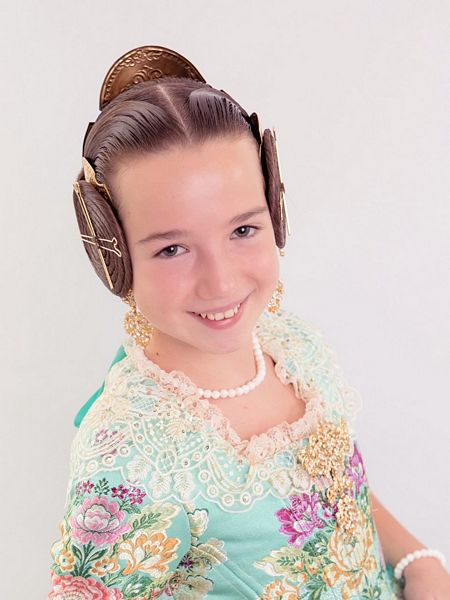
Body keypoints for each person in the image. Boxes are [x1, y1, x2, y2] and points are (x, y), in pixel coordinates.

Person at [48, 45, 449, 599]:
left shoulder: (291, 347)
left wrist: (421, 564)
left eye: (242, 230)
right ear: (112, 255)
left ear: (274, 213)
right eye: (171, 249)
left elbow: (341, 492)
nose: (221, 282)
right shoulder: (128, 458)